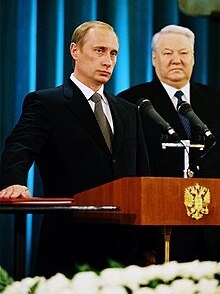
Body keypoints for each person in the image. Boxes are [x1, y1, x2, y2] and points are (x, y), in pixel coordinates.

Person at [0, 21, 152, 278]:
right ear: (75, 50)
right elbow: (20, 146)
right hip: (70, 244)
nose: (107, 61)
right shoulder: (47, 103)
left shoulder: (129, 111)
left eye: (113, 53)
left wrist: (149, 246)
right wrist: (14, 181)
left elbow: (142, 177)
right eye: (99, 50)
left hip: (126, 250)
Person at [118, 24, 220, 263]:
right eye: (167, 53)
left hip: (212, 233)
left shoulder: (216, 101)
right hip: (159, 233)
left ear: (193, 57)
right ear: (154, 58)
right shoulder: (131, 102)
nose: (177, 60)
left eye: (183, 53)